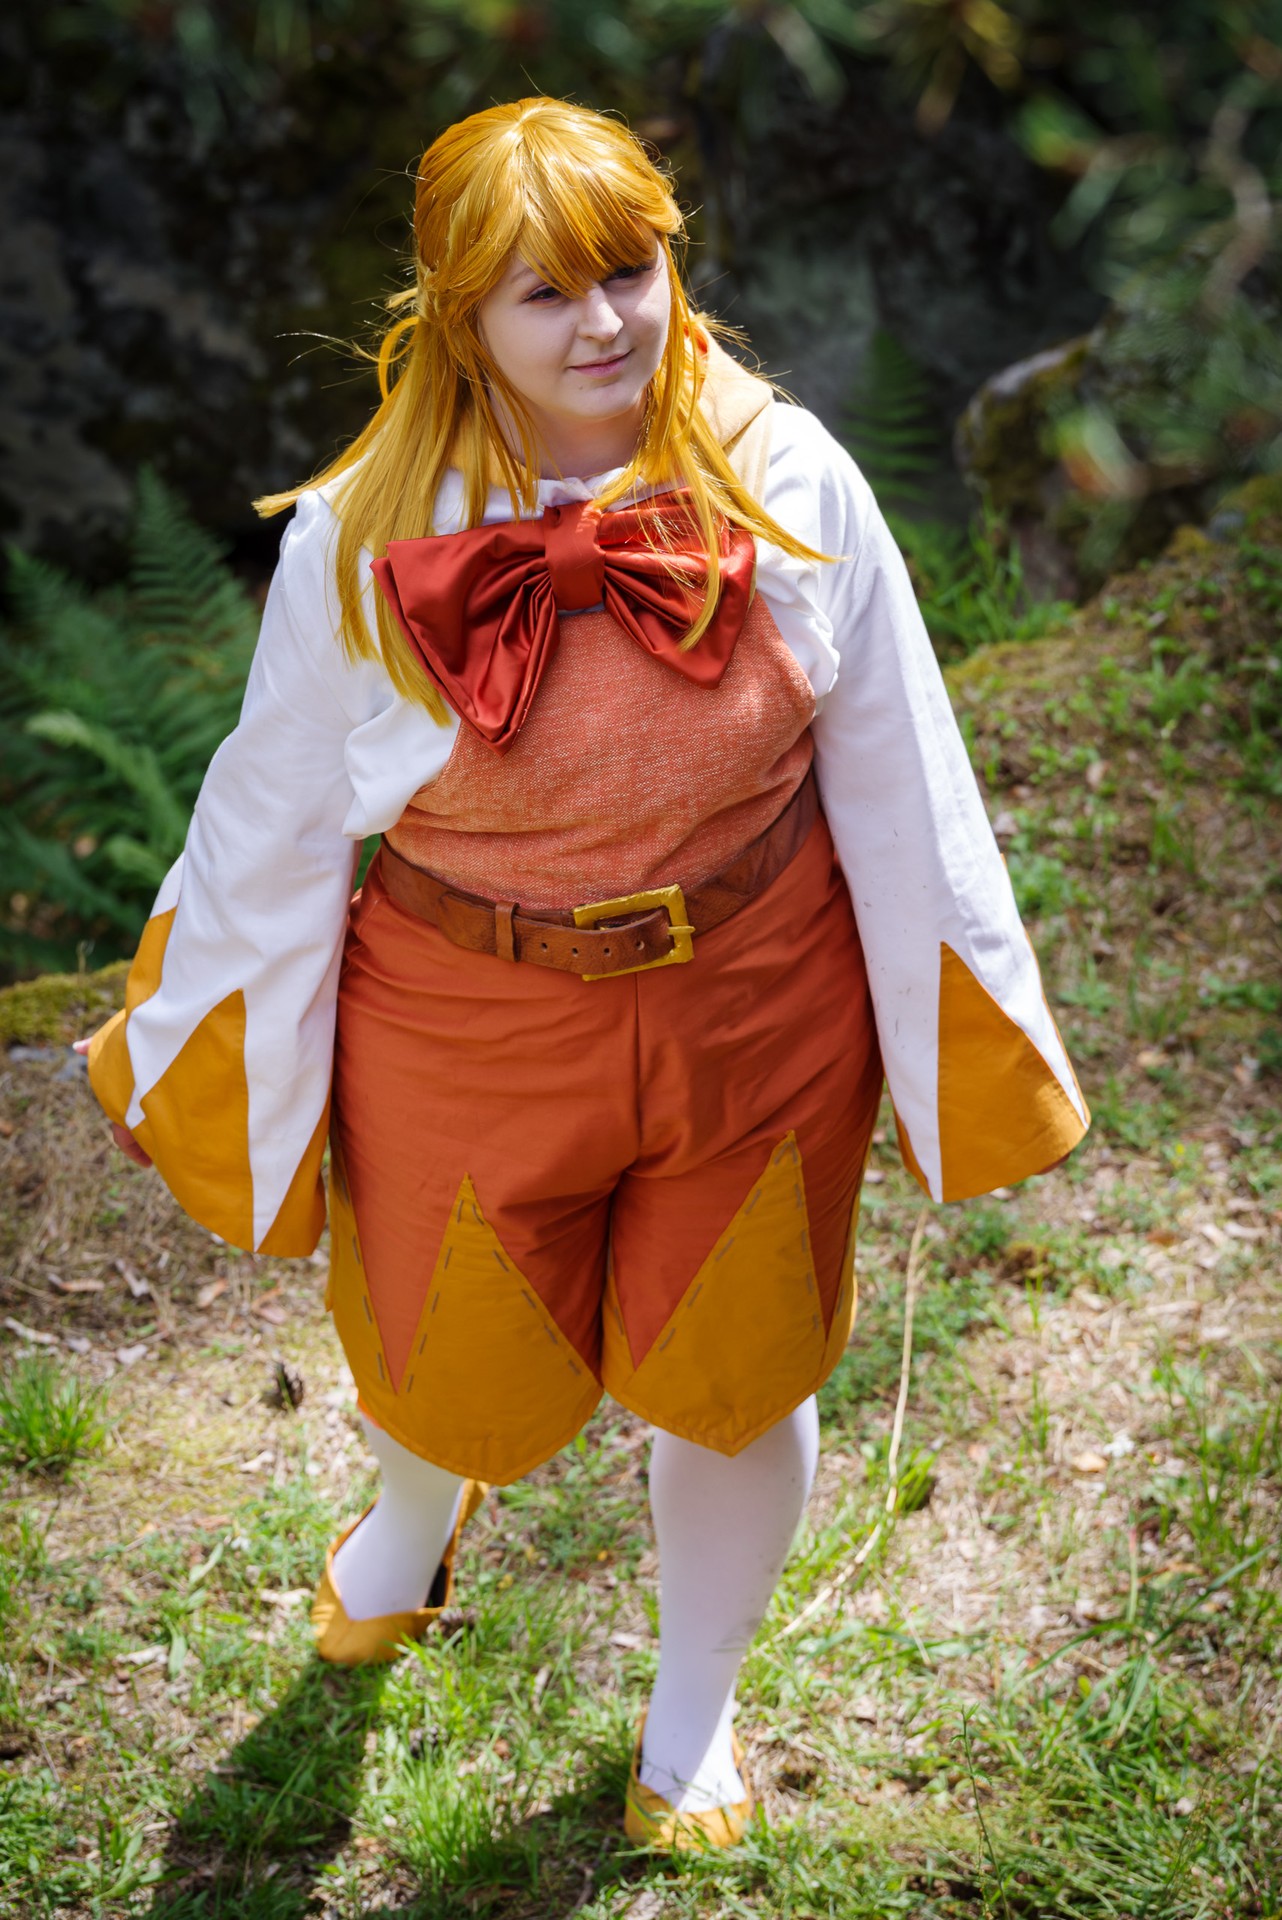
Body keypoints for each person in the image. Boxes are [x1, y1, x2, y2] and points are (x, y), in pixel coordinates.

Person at [83, 97, 1088, 1849]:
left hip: (753, 1003)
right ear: (459, 310)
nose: (604, 324)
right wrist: (192, 1037)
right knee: (444, 1361)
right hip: (464, 1018)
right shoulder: (358, 534)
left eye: (627, 272)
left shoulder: (787, 475)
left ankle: (692, 1712)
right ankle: (413, 1524)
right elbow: (274, 812)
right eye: (544, 293)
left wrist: (967, 1035)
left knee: (741, 1370)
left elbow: (898, 766)